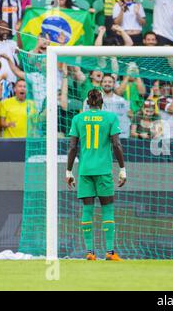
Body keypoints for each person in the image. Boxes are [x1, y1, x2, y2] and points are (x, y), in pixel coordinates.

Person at [66, 89, 127, 261]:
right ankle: (109, 252)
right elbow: (117, 144)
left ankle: (90, 252)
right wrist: (122, 168)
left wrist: (69, 171)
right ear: (102, 103)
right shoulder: (110, 118)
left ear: (87, 103)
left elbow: (72, 147)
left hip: (85, 170)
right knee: (107, 210)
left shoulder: (78, 119)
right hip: (103, 170)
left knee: (87, 210)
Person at [83, 74, 131, 139]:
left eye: (110, 82)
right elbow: (85, 117)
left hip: (116, 138)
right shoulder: (91, 99)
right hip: (97, 137)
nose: (107, 84)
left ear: (114, 84)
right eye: (105, 82)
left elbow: (125, 120)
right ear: (101, 84)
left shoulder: (121, 101)